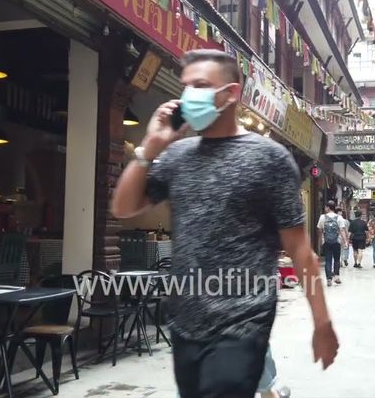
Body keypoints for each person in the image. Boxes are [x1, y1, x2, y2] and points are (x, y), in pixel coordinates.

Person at [111, 50, 338, 398]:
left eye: (200, 85)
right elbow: (124, 208)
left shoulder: (270, 159)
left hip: (243, 321)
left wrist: (322, 322)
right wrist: (150, 146)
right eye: (185, 86)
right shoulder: (177, 156)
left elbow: (299, 249)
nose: (189, 96)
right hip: (185, 321)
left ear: (231, 93)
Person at [317, 201, 348, 287]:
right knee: (337, 259)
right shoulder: (339, 217)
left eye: (325, 207)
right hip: (337, 242)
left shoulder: (322, 217)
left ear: (328, 207)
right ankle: (337, 277)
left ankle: (329, 279)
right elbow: (342, 230)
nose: (325, 209)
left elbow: (319, 230)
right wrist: (345, 241)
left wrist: (320, 241)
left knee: (328, 260)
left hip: (326, 242)